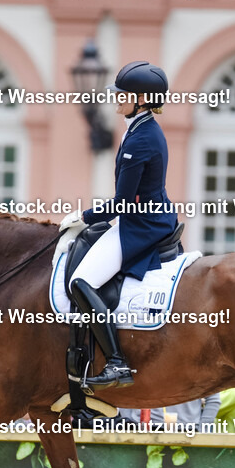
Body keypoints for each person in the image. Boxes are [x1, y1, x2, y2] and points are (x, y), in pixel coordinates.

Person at [62, 60, 176, 390]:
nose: (116, 98)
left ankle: (116, 362)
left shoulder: (141, 139)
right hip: (147, 215)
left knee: (81, 281)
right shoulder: (140, 127)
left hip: (141, 224)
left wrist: (83, 217)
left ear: (142, 99)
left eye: (122, 94)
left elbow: (122, 203)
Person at [118, 394, 220, 430]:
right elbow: (124, 393)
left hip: (187, 431)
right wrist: (129, 422)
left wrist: (202, 431)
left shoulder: (197, 361)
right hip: (142, 429)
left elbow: (213, 400)